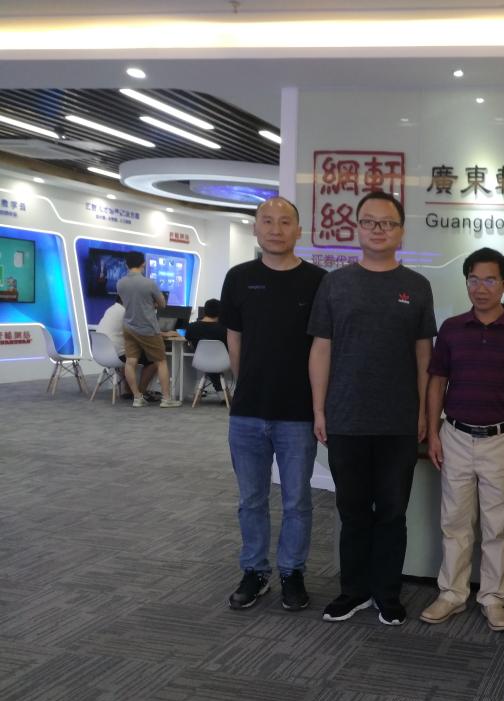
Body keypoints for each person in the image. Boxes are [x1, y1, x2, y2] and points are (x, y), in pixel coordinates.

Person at [309, 190, 436, 627]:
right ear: (357, 228)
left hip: (399, 421)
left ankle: (387, 593)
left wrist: (424, 412)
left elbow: (424, 355)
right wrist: (319, 410)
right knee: (352, 511)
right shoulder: (335, 283)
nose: (378, 229)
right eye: (369, 222)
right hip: (345, 417)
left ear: (401, 231)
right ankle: (353, 591)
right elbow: (321, 348)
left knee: (393, 512)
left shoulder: (416, 286)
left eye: (388, 223)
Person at [420, 247, 504, 632]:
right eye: (473, 279)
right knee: (454, 522)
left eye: (490, 280)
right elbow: (437, 381)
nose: (481, 288)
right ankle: (452, 594)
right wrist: (433, 432)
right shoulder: (452, 328)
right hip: (455, 434)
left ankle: (493, 598)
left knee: (497, 526)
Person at [220, 196, 326, 611]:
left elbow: (322, 347)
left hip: (297, 413)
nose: (276, 229)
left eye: (285, 222)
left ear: (299, 230)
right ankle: (255, 571)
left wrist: (319, 407)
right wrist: (247, 384)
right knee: (251, 499)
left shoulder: (318, 281)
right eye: (267, 221)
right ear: (255, 228)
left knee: (297, 500)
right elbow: (235, 339)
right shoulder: (239, 278)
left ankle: (292, 572)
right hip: (247, 412)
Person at [116, 251, 180, 408]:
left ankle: (137, 398)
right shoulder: (149, 283)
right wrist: (152, 303)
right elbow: (162, 304)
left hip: (129, 327)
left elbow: (129, 302)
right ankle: (166, 399)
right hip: (148, 328)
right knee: (161, 361)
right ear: (143, 263)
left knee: (130, 362)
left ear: (126, 264)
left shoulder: (120, 283)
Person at [95, 297, 158, 399]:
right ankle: (141, 393)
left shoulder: (111, 309)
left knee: (129, 357)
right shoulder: (126, 313)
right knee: (154, 360)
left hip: (101, 354)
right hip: (116, 354)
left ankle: (129, 391)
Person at [185, 298, 228, 396]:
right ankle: (222, 393)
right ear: (221, 312)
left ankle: (221, 392)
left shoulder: (192, 327)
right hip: (223, 362)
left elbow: (188, 340)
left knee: (210, 357)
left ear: (204, 311)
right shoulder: (224, 329)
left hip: (200, 361)